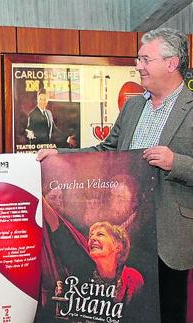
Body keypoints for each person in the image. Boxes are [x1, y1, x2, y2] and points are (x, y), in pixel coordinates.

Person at [38, 27, 192, 322]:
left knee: (169, 312)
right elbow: (105, 150)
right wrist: (60, 155)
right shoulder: (134, 105)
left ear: (171, 63)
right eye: (139, 59)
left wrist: (176, 162)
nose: (138, 66)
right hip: (130, 240)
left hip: (170, 241)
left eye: (145, 59)